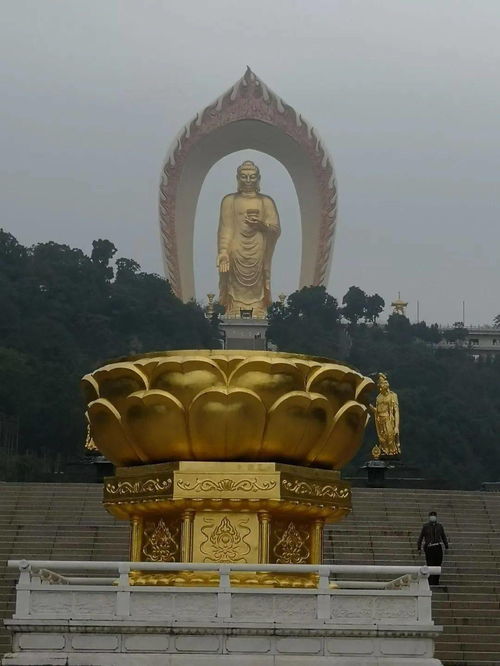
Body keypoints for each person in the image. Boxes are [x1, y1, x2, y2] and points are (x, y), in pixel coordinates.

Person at [417, 511, 449, 585]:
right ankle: (430, 581)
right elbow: (421, 537)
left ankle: (436, 581)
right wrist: (419, 547)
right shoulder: (425, 526)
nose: (433, 517)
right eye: (431, 515)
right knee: (430, 564)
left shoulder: (439, 526)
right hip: (429, 548)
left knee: (438, 564)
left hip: (437, 547)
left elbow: (443, 536)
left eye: (434, 515)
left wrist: (446, 546)